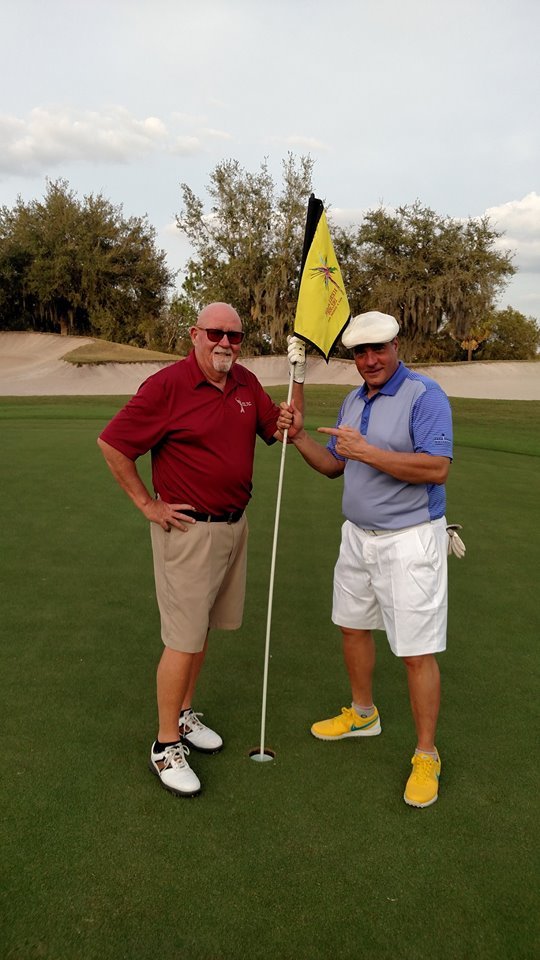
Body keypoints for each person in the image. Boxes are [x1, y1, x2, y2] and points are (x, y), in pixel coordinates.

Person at [97, 302, 299, 798]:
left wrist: (300, 376)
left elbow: (282, 430)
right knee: (183, 638)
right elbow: (113, 444)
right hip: (189, 532)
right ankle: (165, 744)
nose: (225, 343)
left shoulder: (246, 383)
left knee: (202, 628)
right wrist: (147, 504)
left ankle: (184, 715)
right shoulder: (167, 386)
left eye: (235, 335)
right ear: (194, 334)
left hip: (233, 526)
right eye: (215, 333)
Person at [280, 312, 454, 807]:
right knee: (352, 626)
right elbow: (335, 464)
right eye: (361, 352)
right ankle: (363, 714)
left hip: (410, 539)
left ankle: (426, 754)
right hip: (357, 536)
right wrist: (300, 438)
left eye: (379, 348)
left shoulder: (425, 395)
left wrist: (367, 451)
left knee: (416, 651)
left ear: (396, 345)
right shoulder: (354, 400)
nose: (370, 360)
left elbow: (436, 469)